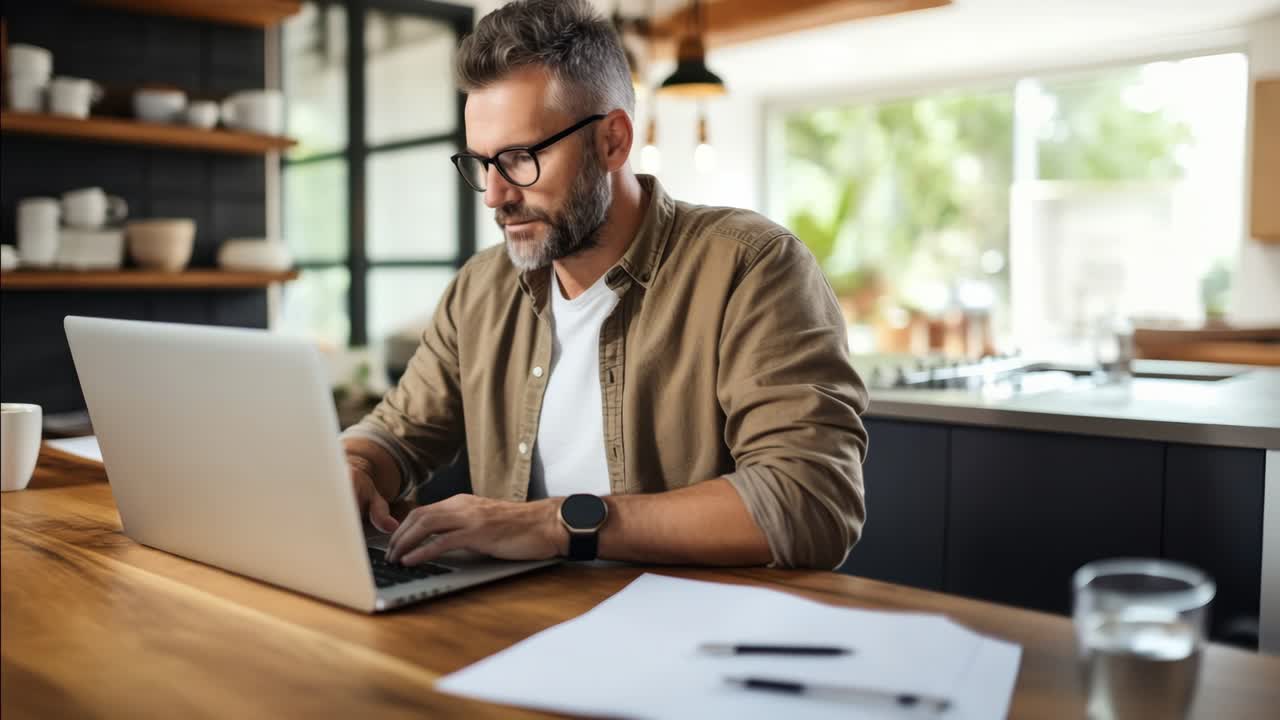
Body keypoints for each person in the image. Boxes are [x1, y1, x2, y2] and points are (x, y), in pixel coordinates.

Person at [342, 0, 868, 571]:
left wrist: (552, 522)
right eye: (482, 163)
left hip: (691, 634)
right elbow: (397, 434)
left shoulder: (752, 266)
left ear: (613, 141)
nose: (494, 195)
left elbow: (809, 501)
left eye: (520, 158)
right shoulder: (481, 289)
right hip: (519, 626)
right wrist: (357, 466)